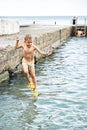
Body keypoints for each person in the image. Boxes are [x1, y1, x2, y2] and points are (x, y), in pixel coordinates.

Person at [15, 34, 52, 99]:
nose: (29, 44)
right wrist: (17, 41)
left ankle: (35, 89)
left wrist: (46, 53)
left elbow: (40, 52)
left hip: (31, 62)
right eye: (28, 43)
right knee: (26, 72)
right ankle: (29, 82)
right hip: (25, 61)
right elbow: (16, 47)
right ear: (25, 42)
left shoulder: (34, 47)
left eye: (31, 42)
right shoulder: (23, 45)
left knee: (33, 75)